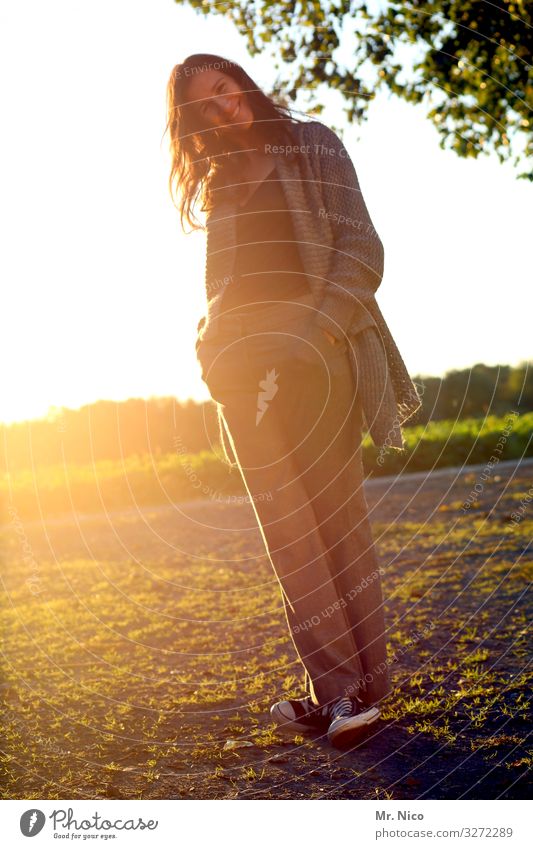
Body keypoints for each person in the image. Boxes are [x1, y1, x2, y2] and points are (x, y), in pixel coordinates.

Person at [165, 53, 421, 748]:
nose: (221, 107)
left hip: (319, 352)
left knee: (336, 525)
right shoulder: (220, 184)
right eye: (202, 106)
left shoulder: (312, 145)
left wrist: (314, 336)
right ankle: (333, 694)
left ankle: (360, 690)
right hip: (239, 372)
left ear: (243, 85)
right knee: (288, 536)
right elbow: (220, 289)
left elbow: (360, 250)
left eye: (225, 89)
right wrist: (211, 355)